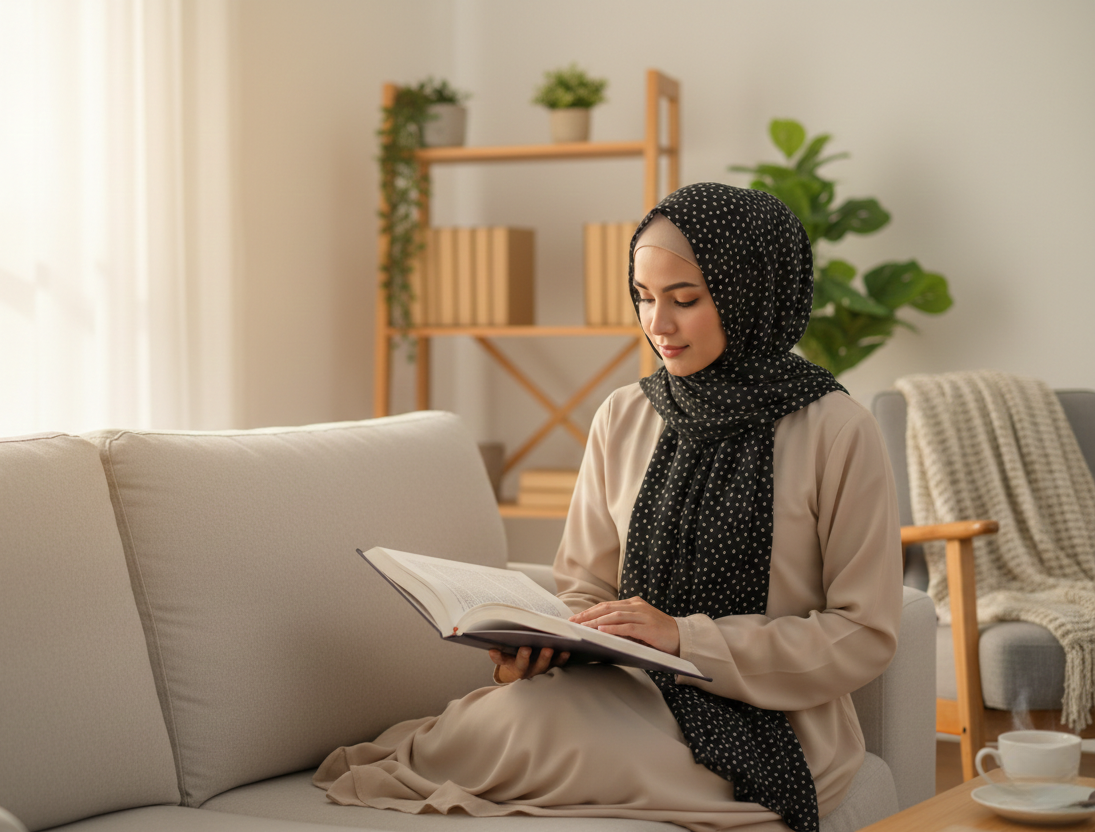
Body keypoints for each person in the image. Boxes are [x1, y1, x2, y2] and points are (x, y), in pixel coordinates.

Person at [314, 182, 902, 832]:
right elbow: (586, 588)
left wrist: (685, 638)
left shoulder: (837, 430)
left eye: (685, 299)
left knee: (536, 733)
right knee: (507, 720)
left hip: (772, 719)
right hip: (627, 690)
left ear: (750, 294)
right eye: (644, 297)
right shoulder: (624, 415)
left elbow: (864, 633)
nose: (657, 324)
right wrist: (545, 643)